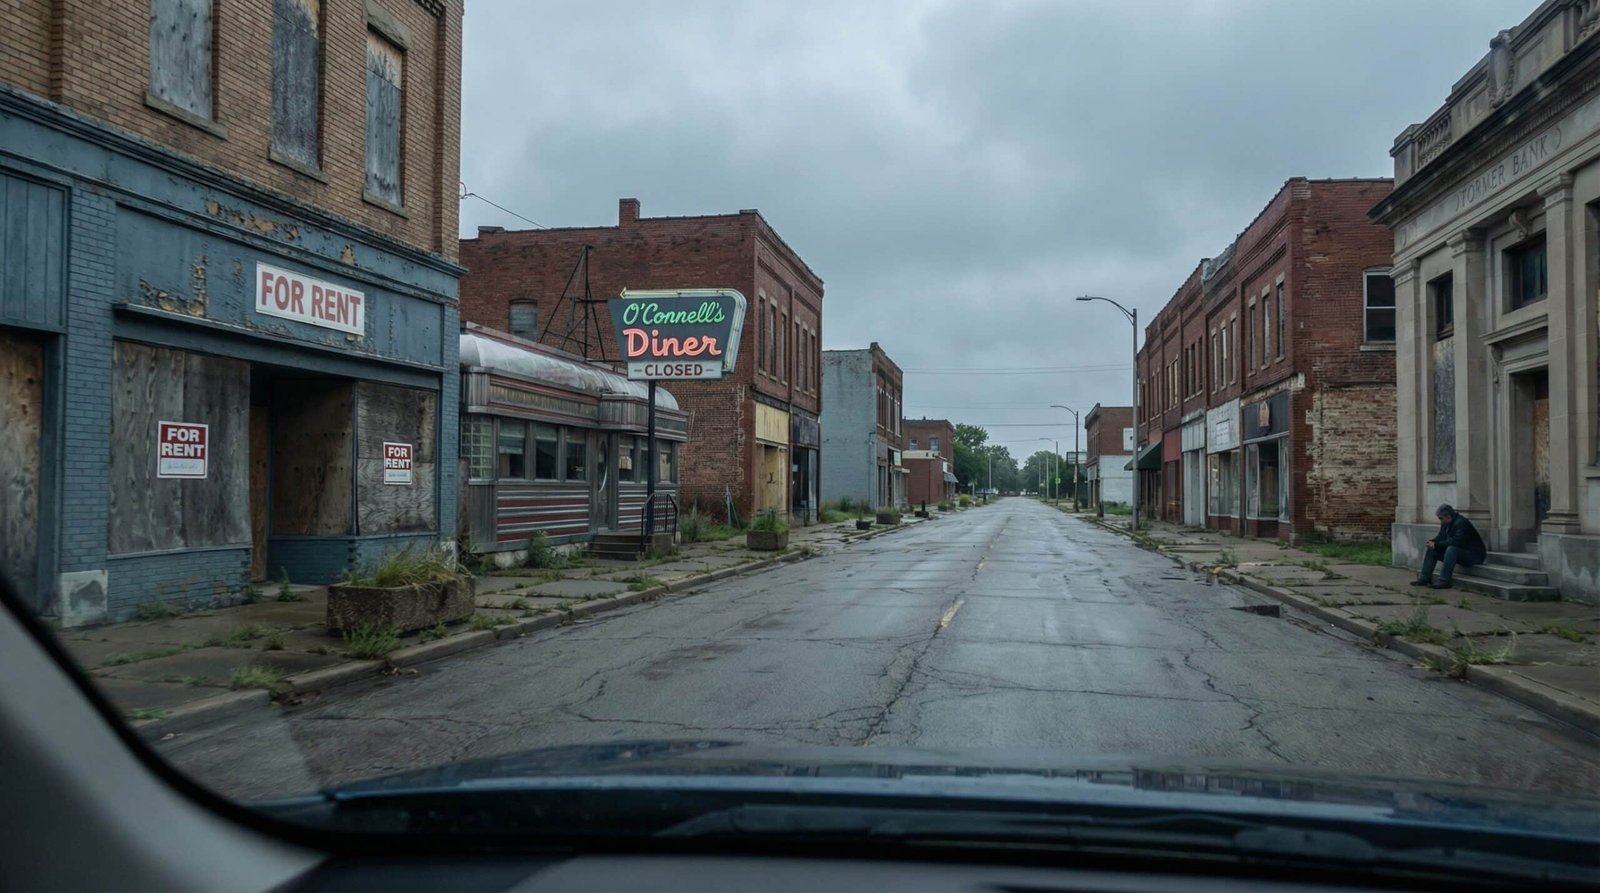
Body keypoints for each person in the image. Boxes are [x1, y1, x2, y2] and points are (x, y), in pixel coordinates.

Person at [1411, 504, 1486, 590]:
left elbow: (1456, 542)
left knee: (1451, 549)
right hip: (1459, 553)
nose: (1440, 520)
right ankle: (1425, 578)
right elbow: (1440, 537)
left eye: (1441, 518)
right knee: (1433, 550)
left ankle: (1444, 581)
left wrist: (1437, 544)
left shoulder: (1462, 523)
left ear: (1448, 516)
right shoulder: (1446, 523)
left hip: (1474, 555)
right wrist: (1432, 542)